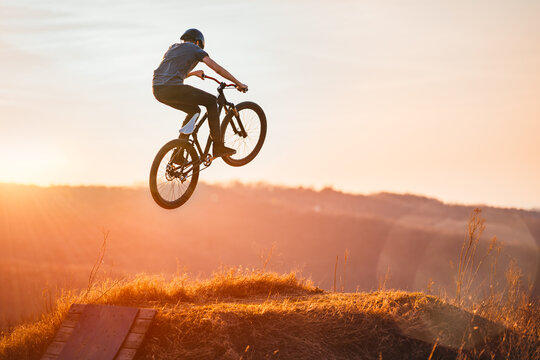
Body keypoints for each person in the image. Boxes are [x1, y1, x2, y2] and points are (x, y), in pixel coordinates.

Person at [152, 28, 248, 159]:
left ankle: (179, 154)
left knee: (193, 111)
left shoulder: (172, 48)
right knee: (212, 101)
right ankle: (218, 146)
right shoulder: (195, 49)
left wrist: (192, 73)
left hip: (158, 90)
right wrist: (238, 83)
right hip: (172, 88)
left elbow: (169, 75)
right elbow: (217, 69)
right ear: (198, 43)